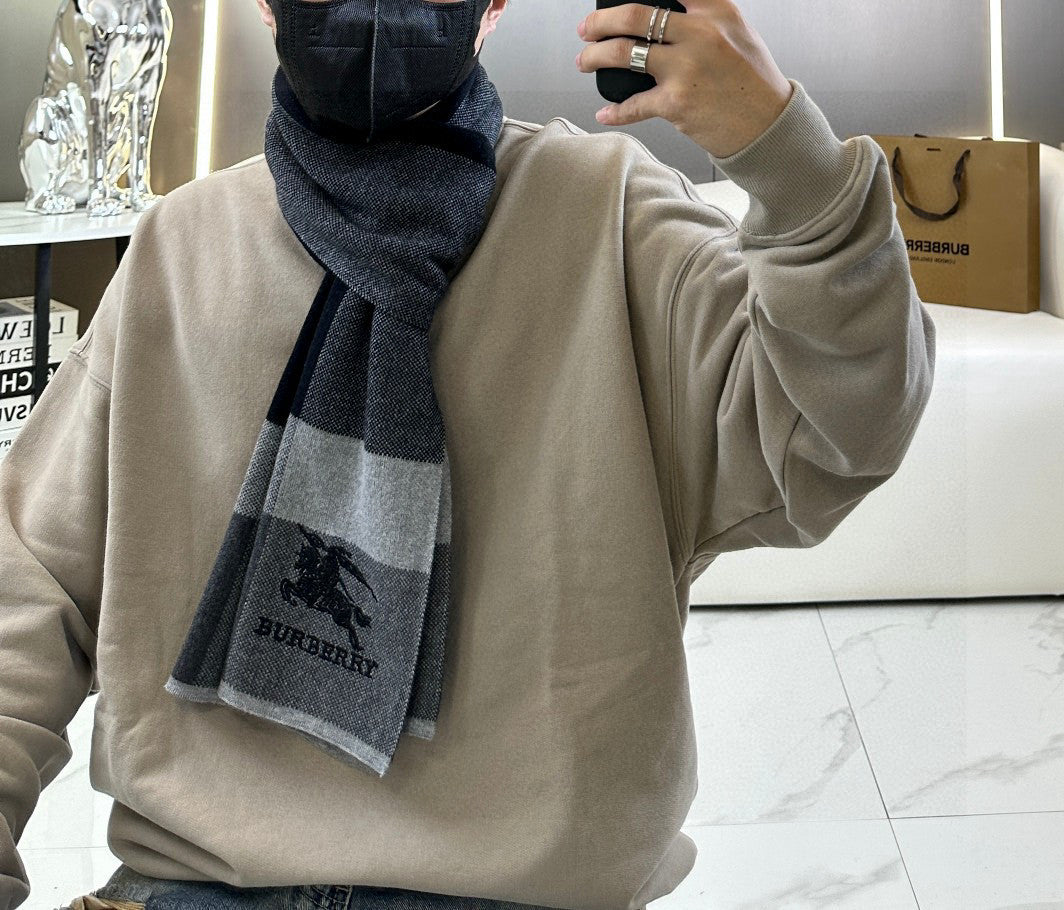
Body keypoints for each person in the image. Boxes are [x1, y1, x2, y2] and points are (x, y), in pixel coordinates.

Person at [0, 0, 937, 908]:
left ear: (492, 4)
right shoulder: (182, 245)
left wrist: (786, 156)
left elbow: (829, 443)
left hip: (521, 893)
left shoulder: (613, 216)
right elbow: (31, 587)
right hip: (199, 884)